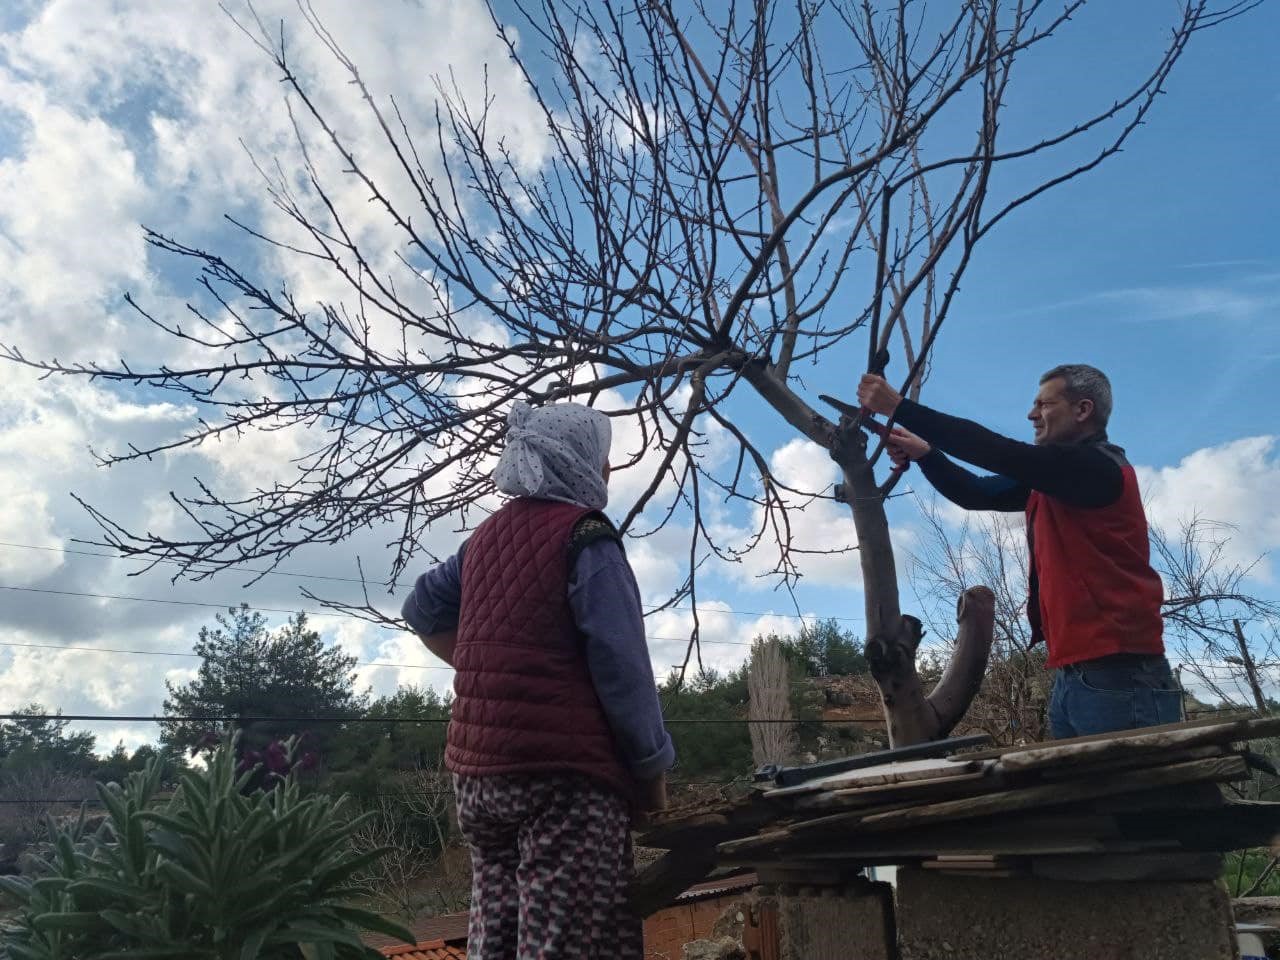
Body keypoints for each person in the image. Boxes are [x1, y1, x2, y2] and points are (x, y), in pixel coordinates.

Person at [402, 400, 675, 960]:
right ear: (580, 465)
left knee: (496, 935)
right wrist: (651, 773)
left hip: (479, 779)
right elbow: (624, 672)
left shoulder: (483, 539)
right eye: (602, 460)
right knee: (567, 943)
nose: (606, 472)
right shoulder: (586, 539)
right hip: (562, 782)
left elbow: (421, 609)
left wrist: (491, 670)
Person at [856, 364, 1182, 740]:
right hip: (1074, 677)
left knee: (1140, 797)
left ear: (1082, 410)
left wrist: (900, 408)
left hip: (1121, 677)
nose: (1031, 414)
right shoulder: (1055, 481)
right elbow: (976, 492)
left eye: (1044, 404)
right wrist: (926, 455)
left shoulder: (1096, 469)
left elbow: (1001, 454)